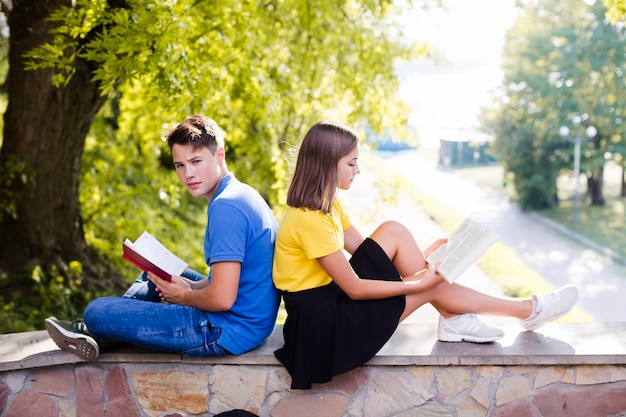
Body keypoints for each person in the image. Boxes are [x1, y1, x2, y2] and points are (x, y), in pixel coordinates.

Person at [272, 120, 578, 390]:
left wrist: (421, 257)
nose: (358, 170)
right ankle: (526, 309)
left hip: (331, 303)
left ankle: (457, 317)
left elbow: (365, 250)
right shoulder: (310, 219)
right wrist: (416, 283)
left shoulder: (329, 204)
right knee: (429, 283)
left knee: (394, 230)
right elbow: (355, 287)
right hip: (323, 329)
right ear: (327, 165)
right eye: (351, 163)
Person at [46, 114, 279, 359]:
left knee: (96, 311)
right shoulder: (241, 193)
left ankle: (100, 332)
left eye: (196, 161)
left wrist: (184, 296)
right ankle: (110, 333)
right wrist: (191, 285)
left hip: (224, 330)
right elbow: (231, 279)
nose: (188, 173)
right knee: (156, 272)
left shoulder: (226, 207)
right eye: (180, 165)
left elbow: (222, 298)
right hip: (251, 322)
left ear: (219, 155)